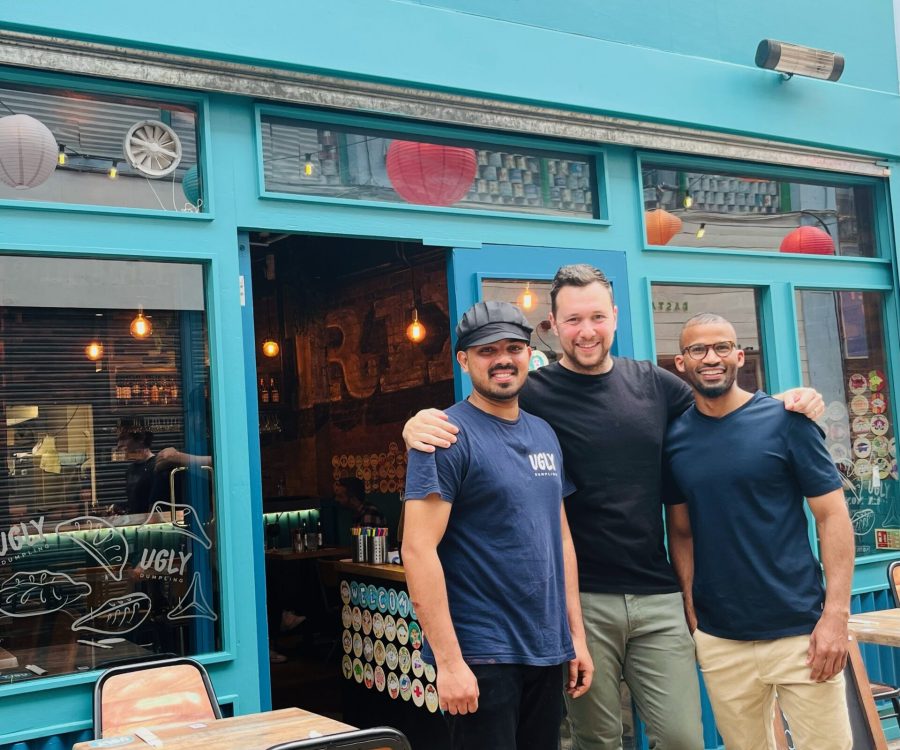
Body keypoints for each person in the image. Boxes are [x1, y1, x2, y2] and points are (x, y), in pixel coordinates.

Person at [403, 264, 825, 750]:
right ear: (554, 325)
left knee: (683, 738)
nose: (587, 331)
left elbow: (723, 406)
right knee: (596, 740)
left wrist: (783, 402)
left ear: (615, 317)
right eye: (574, 319)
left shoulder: (653, 384)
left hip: (655, 593)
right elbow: (470, 426)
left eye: (598, 317)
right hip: (577, 603)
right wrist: (414, 426)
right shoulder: (529, 395)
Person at [402, 300, 592, 750]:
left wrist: (575, 638)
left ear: (530, 355)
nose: (503, 358)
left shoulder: (544, 433)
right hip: (482, 655)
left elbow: (560, 537)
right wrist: (449, 663)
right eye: (486, 351)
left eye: (513, 347)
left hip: (545, 649)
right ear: (464, 360)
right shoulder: (444, 437)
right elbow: (417, 550)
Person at [663, 313, 853, 750]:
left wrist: (836, 616)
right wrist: (692, 607)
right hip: (720, 639)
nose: (711, 358)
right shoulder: (674, 439)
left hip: (800, 632)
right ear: (680, 363)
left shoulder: (788, 421)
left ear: (739, 356)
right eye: (698, 350)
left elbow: (832, 517)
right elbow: (681, 530)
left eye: (722, 347)